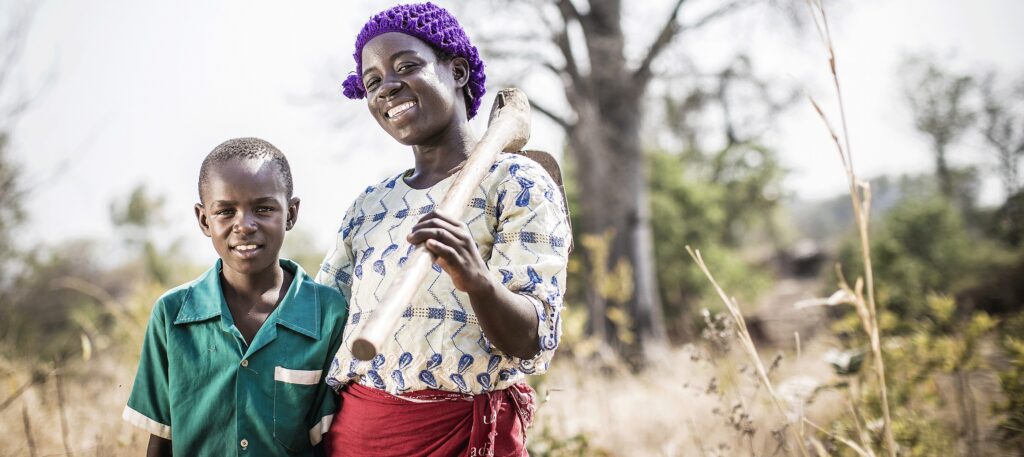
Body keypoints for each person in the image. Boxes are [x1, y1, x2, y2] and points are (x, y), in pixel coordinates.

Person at [316, 3, 571, 456]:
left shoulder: (517, 183)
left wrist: (478, 281)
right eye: (372, 81)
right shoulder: (370, 206)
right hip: (359, 434)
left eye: (406, 66)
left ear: (456, 70)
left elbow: (532, 339)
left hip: (463, 435)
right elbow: (322, 321)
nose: (386, 87)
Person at [123, 138, 348, 456]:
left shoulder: (328, 313)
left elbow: (328, 440)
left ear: (291, 213)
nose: (244, 225)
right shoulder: (172, 314)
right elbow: (162, 438)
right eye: (226, 211)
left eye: (264, 209)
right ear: (204, 220)